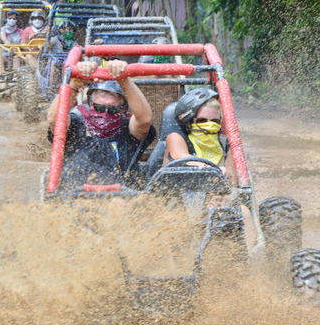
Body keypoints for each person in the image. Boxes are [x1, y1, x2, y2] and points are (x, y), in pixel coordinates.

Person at [163, 88, 254, 248]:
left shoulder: (226, 145)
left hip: (215, 205)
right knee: (170, 219)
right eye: (202, 120)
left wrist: (221, 202)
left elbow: (231, 184)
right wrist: (211, 169)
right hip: (178, 203)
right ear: (189, 120)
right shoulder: (177, 137)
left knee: (244, 211)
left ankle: (253, 265)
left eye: (215, 121)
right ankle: (173, 270)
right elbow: (181, 157)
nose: (209, 125)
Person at [46, 60, 156, 190]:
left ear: (122, 109)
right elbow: (55, 120)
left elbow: (144, 120)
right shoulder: (76, 124)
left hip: (121, 196)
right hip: (75, 194)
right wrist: (75, 83)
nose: (104, 113)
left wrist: (123, 79)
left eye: (112, 110)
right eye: (99, 107)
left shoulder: (128, 130)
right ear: (91, 104)